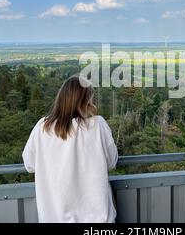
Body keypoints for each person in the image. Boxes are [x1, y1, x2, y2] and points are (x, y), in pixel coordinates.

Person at [22, 76, 118, 223]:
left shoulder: (42, 127)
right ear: (84, 101)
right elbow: (111, 162)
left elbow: (29, 165)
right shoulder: (98, 125)